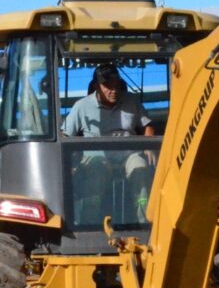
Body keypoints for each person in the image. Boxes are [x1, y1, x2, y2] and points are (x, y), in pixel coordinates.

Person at [60, 65, 156, 223]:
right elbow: (65, 134)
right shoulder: (81, 106)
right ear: (97, 86)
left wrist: (149, 146)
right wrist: (69, 163)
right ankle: (89, 225)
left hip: (128, 155)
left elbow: (148, 125)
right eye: (108, 86)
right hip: (97, 158)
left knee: (140, 169)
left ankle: (145, 223)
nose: (114, 90)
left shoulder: (132, 101)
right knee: (95, 175)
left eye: (116, 84)